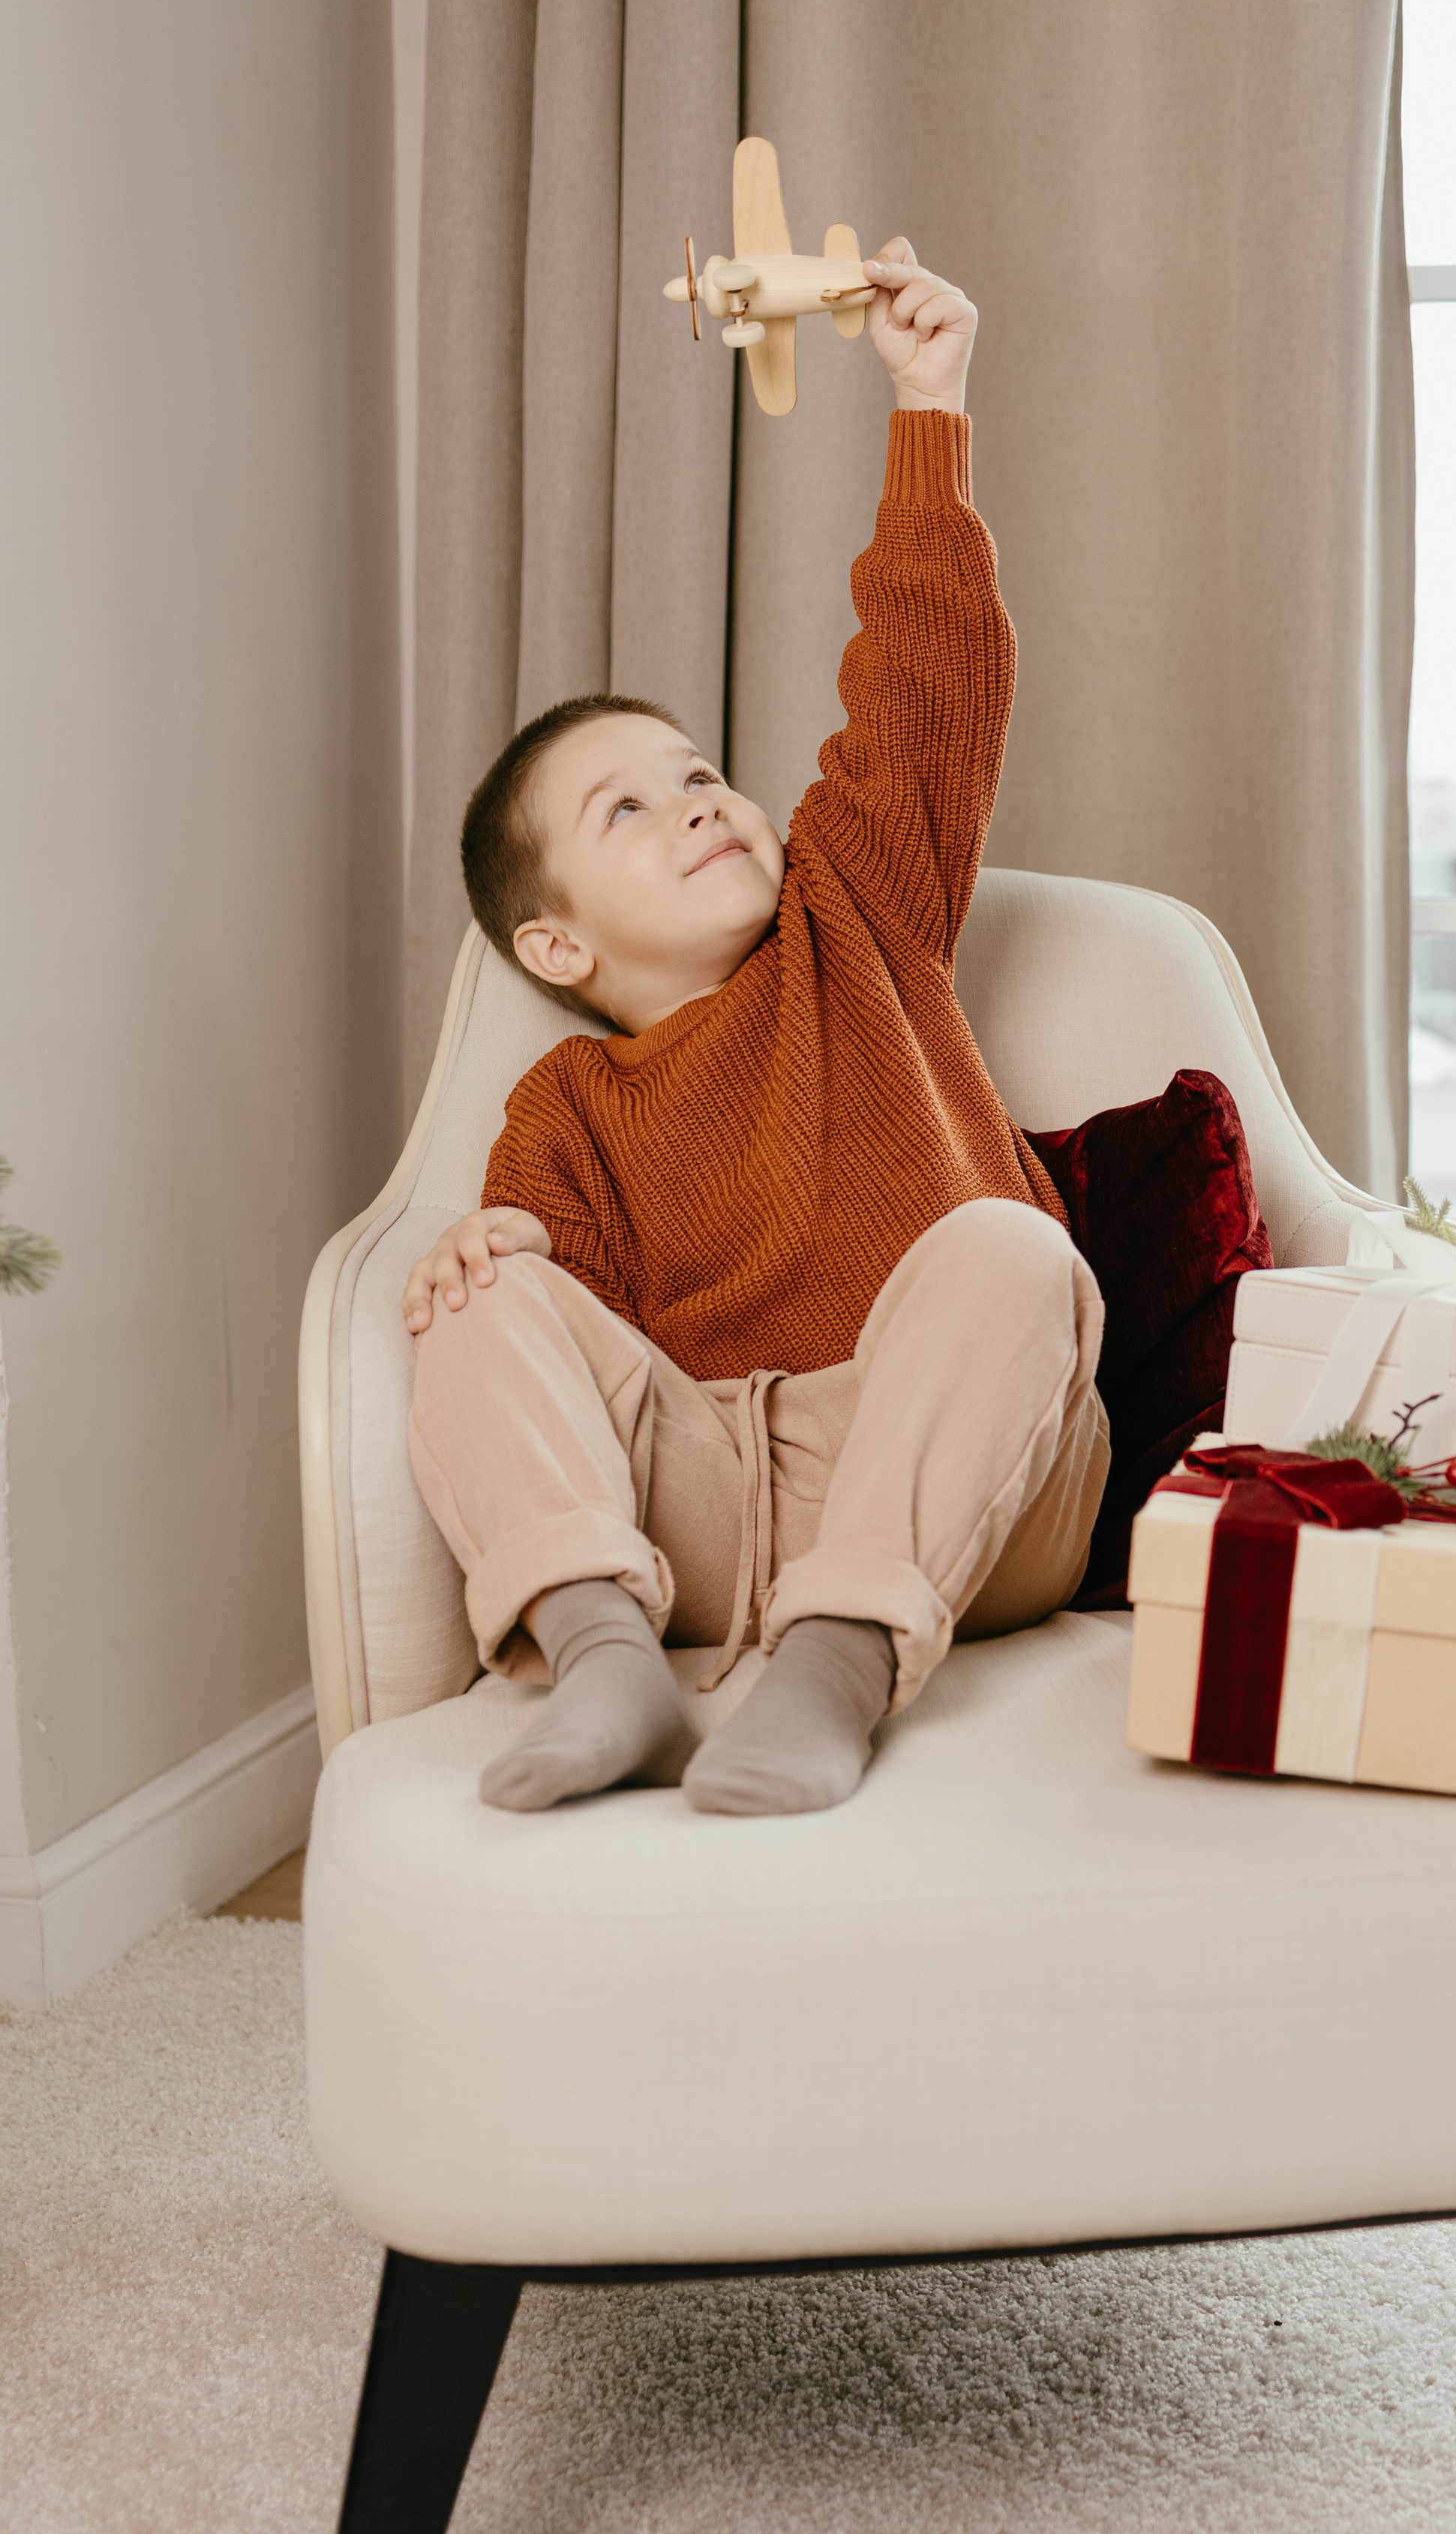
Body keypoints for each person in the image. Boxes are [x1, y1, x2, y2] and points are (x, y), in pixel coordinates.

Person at [403, 239, 1109, 1818]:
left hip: (963, 1487)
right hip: (720, 1503)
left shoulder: (853, 913)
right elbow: (562, 1363)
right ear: (555, 937)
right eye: (628, 805)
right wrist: (487, 1258)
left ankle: (841, 1668)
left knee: (1013, 1250)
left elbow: (927, 683)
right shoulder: (567, 1102)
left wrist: (929, 405)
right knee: (463, 1292)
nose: (697, 799)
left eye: (701, 769)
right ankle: (604, 1663)